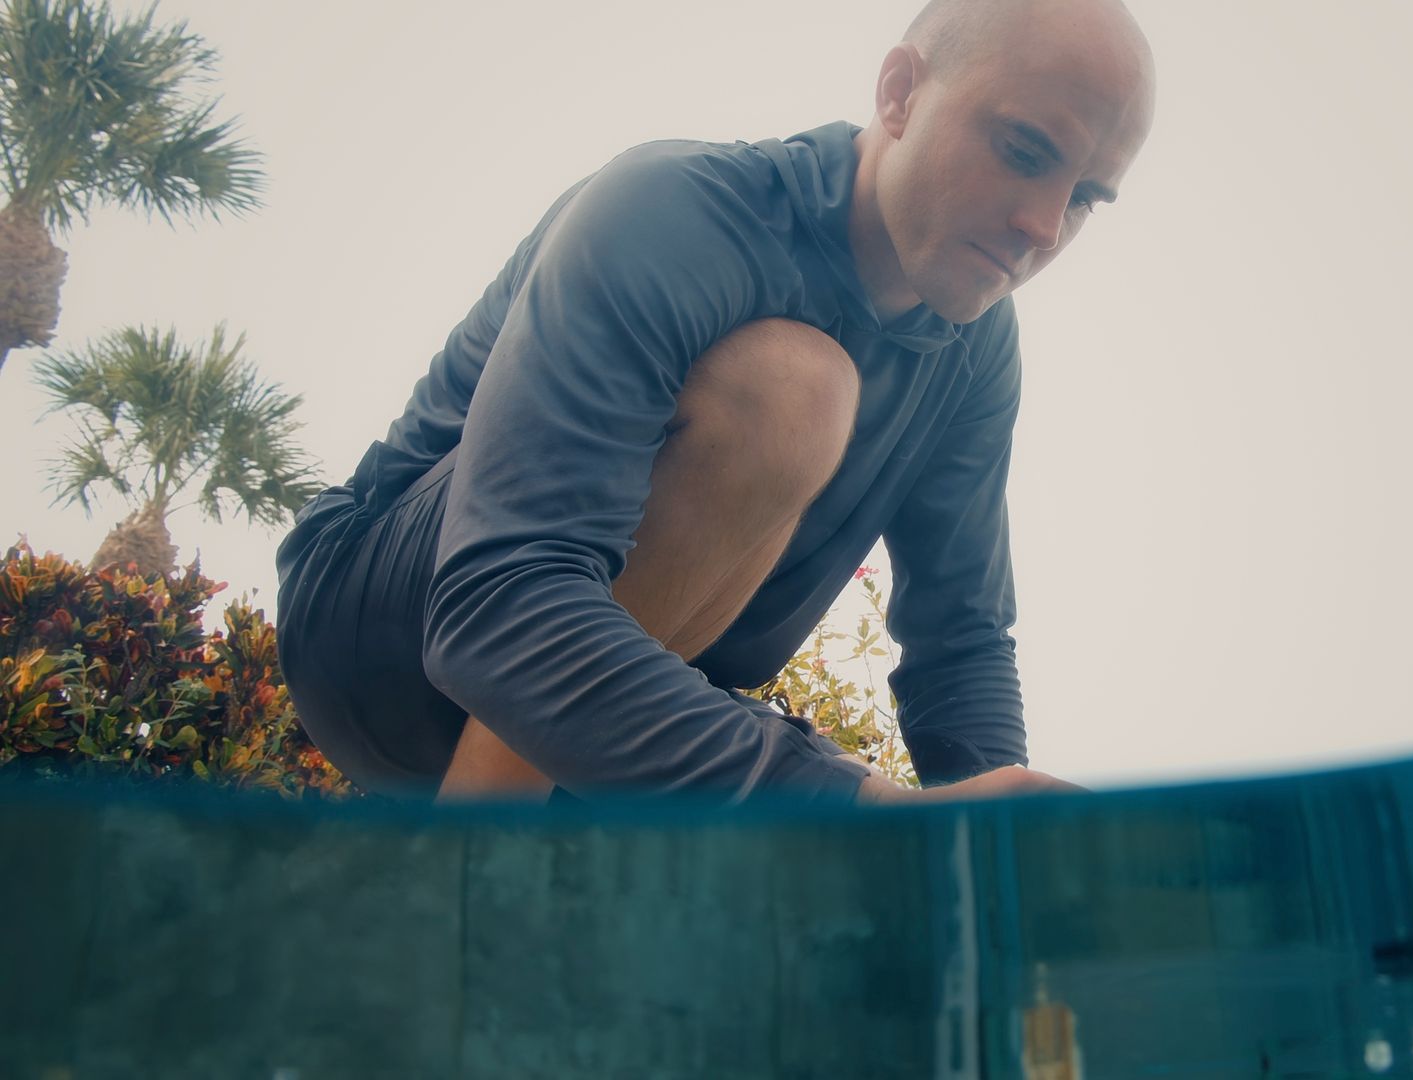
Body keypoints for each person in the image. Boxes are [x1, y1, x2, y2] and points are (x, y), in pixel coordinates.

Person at [273, 0, 1156, 806]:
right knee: (794, 392)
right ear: (900, 92)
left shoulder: (977, 348)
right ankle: (462, 909)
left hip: (608, 705)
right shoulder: (675, 211)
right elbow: (495, 612)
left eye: (1082, 199)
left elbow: (958, 642)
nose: (1043, 226)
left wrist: (1010, 864)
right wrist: (862, 807)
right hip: (382, 638)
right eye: (1024, 153)